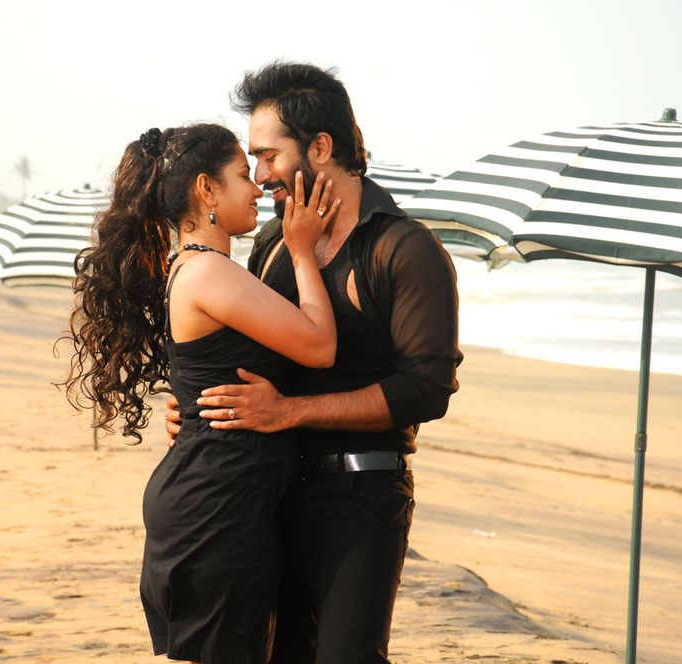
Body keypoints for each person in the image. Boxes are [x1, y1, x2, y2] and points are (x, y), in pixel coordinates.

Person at [167, 63, 463, 663]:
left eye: (268, 156)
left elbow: (426, 389)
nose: (259, 176)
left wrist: (289, 412)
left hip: (360, 495)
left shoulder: (405, 249)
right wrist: (198, 407)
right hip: (263, 492)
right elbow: (246, 349)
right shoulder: (272, 244)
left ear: (321, 148)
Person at [60, 122, 342, 663]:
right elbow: (319, 346)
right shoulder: (209, 272)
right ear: (207, 189)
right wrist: (302, 251)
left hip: (215, 498)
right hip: (217, 510)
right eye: (242, 175)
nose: (257, 187)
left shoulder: (194, 269)